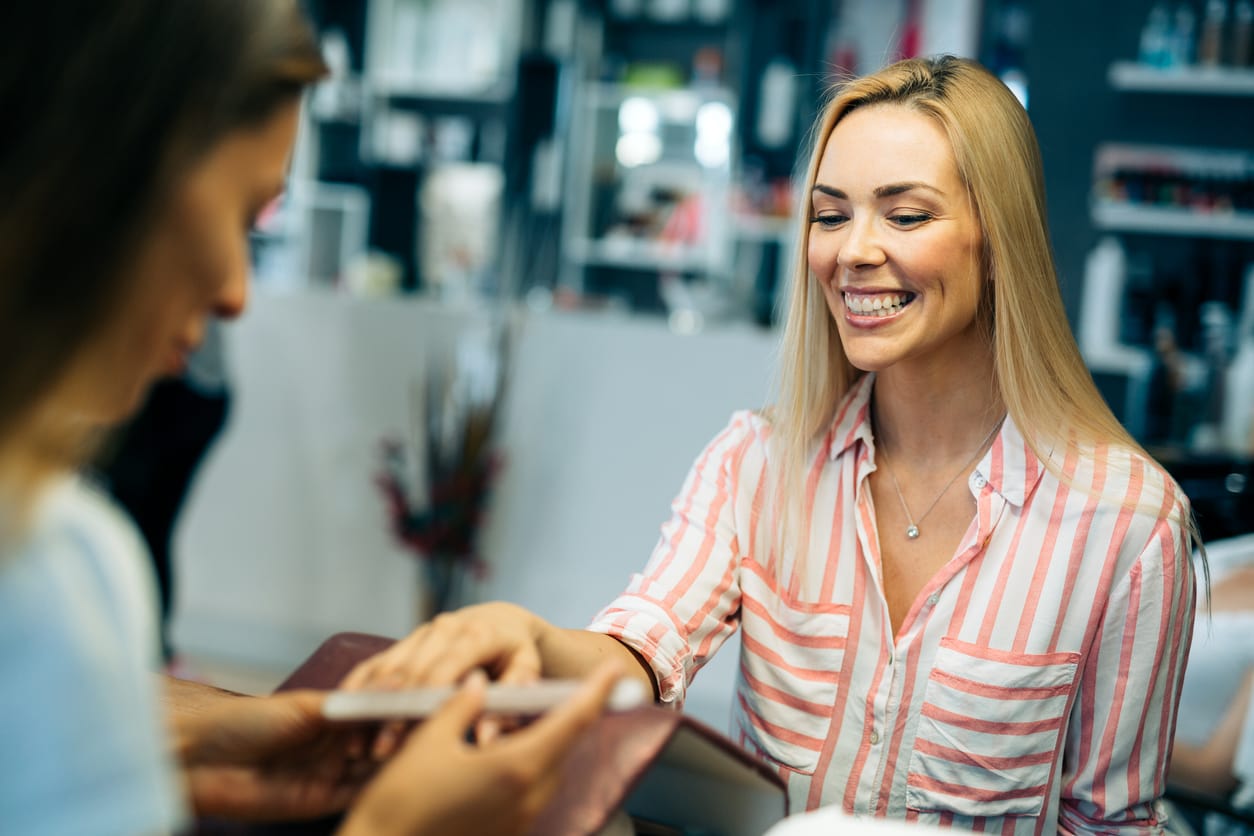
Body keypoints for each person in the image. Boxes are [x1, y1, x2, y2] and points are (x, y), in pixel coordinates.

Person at [345, 55, 1199, 834]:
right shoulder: (755, 464)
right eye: (831, 216)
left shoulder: (1127, 522)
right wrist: (527, 639)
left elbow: (1112, 824)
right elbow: (645, 645)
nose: (854, 253)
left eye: (904, 214)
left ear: (998, 239)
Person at [0, 2, 619, 834]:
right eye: (239, 211)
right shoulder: (48, 559)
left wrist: (190, 738)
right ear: (104, 182)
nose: (235, 292)